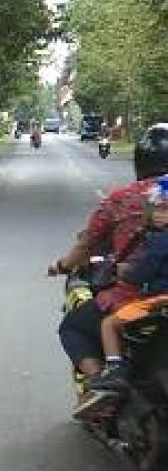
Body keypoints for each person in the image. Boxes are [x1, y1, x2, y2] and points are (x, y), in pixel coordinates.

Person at [49, 124, 168, 412]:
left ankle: (104, 384)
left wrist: (62, 266)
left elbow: (86, 246)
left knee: (73, 327)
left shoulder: (121, 200)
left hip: (137, 298)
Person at [78, 177, 168, 406]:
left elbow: (142, 272)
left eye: (161, 209)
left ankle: (114, 368)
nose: (157, 214)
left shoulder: (159, 240)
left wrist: (124, 274)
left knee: (109, 324)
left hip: (156, 301)